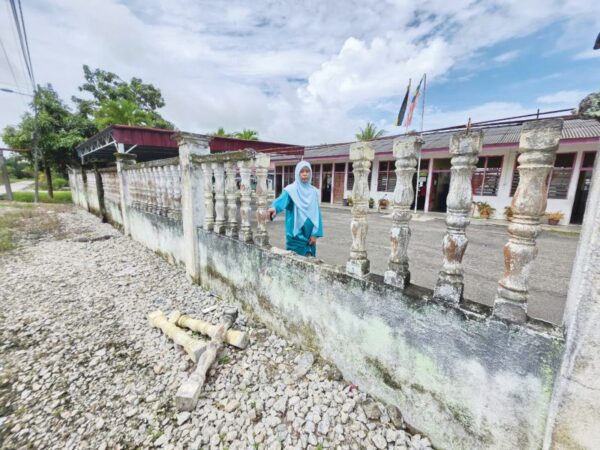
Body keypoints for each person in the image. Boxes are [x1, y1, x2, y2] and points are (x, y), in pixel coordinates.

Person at [268, 161, 323, 256]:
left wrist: (316, 234)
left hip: (310, 235)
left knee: (309, 261)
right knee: (294, 259)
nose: (305, 174)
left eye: (307, 171)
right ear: (297, 173)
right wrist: (274, 207)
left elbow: (317, 214)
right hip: (296, 235)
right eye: (302, 171)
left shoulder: (313, 192)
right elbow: (282, 200)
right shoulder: (291, 190)